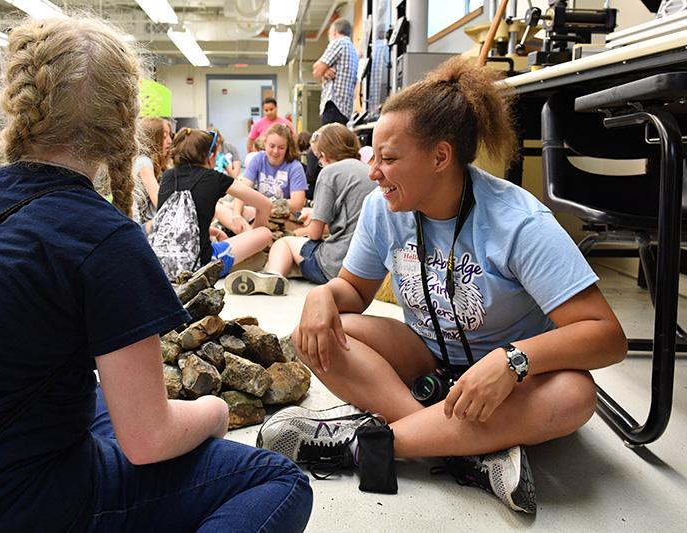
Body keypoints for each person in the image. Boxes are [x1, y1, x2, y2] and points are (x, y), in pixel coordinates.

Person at [0, 15, 312, 531]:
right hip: (36, 504)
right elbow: (149, 440)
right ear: (123, 119)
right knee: (280, 481)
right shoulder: (103, 235)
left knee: (106, 397)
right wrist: (216, 410)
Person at [258, 58, 627, 514]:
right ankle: (462, 447)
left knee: (575, 394)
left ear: (440, 157)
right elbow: (353, 294)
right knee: (318, 332)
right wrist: (320, 295)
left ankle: (359, 444)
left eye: (388, 159)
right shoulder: (382, 208)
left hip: (504, 382)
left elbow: (607, 336)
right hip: (425, 362)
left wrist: (513, 359)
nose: (373, 171)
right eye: (374, 157)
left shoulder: (518, 221)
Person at [226, 123, 375, 295]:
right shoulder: (372, 173)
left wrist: (296, 234)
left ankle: (272, 273)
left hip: (337, 266)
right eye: (272, 146)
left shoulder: (329, 173)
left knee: (285, 244)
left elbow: (314, 234)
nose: (275, 151)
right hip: (366, 268)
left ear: (324, 156)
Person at [157, 127, 273, 279]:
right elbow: (265, 204)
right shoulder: (213, 177)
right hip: (199, 265)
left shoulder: (168, 176)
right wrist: (252, 236)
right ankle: (248, 262)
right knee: (264, 234)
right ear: (211, 157)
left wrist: (214, 231)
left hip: (160, 265)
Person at [306, 18, 359, 201]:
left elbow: (316, 70)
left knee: (321, 148)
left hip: (333, 103)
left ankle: (314, 194)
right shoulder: (352, 48)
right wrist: (326, 70)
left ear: (335, 32)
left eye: (329, 34)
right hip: (344, 108)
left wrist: (323, 69)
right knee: (335, 151)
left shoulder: (339, 42)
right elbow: (321, 70)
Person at [235, 123, 307, 219]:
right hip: (261, 211)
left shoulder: (295, 167)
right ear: (265, 144)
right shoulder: (258, 159)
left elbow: (297, 203)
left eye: (281, 148)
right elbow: (242, 190)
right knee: (227, 208)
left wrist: (265, 204)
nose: (275, 151)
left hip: (285, 216)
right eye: (272, 146)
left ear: (287, 148)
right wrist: (236, 215)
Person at [132, 116, 173, 231]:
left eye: (170, 135)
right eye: (164, 137)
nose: (170, 141)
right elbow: (160, 201)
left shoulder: (160, 165)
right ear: (152, 139)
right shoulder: (144, 163)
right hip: (141, 228)